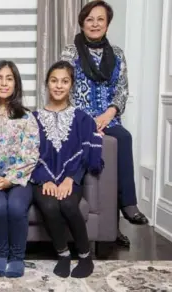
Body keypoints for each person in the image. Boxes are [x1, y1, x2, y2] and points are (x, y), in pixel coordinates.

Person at [60, 0, 148, 248]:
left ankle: (125, 209)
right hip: (80, 119)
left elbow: (122, 90)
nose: (95, 24)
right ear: (82, 24)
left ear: (107, 24)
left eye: (100, 19)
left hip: (109, 118)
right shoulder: (70, 52)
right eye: (90, 19)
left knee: (123, 138)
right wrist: (88, 120)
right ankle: (108, 226)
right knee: (98, 149)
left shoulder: (117, 54)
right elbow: (63, 89)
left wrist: (109, 114)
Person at [31, 60, 104, 278]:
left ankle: (84, 256)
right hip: (41, 178)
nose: (59, 86)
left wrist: (71, 178)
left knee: (70, 205)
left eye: (64, 81)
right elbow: (28, 156)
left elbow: (85, 155)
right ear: (47, 84)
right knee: (50, 205)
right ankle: (63, 255)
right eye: (54, 81)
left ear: (71, 85)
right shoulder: (33, 119)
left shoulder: (82, 118)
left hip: (71, 178)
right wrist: (45, 179)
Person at [0, 60, 40, 278]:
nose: (3, 83)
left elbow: (31, 154)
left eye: (9, 78)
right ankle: (1, 256)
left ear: (16, 84)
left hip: (19, 180)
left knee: (15, 206)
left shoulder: (27, 117)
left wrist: (10, 179)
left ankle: (17, 258)